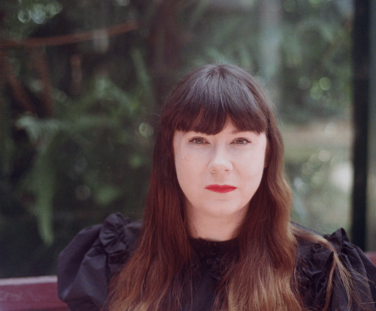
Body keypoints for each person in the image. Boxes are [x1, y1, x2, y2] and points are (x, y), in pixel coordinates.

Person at [57, 64, 376, 311]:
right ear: (171, 154)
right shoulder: (113, 261)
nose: (219, 163)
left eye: (240, 141)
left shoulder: (325, 273)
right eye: (199, 140)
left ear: (267, 154)